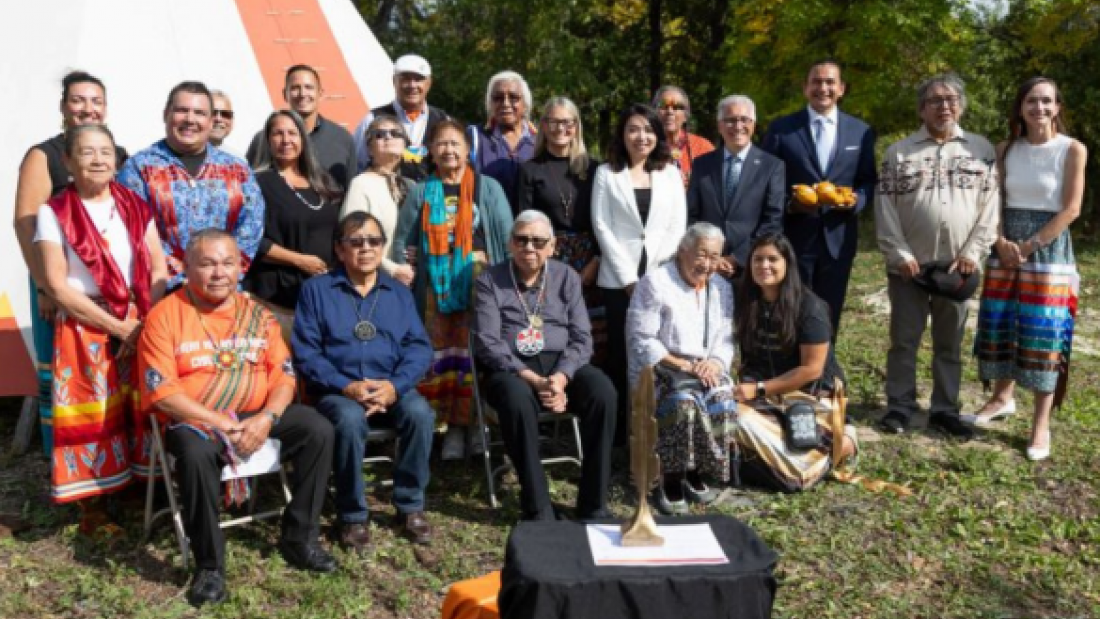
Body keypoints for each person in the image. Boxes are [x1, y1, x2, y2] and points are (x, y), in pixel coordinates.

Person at [138, 229, 337, 607]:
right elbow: (163, 392)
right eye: (208, 263)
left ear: (240, 267)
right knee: (194, 455)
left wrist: (266, 417)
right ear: (185, 267)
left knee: (319, 429)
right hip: (198, 419)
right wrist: (224, 423)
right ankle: (209, 565)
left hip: (257, 412)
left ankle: (299, 538)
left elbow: (283, 376)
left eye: (228, 263)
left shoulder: (257, 315)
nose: (219, 273)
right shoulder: (165, 315)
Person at [35, 125, 168, 531]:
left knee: (136, 405)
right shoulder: (54, 211)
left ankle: (134, 489)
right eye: (87, 152)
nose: (98, 159)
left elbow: (158, 266)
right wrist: (117, 327)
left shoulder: (134, 205)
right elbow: (57, 284)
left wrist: (145, 323)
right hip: (84, 324)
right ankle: (92, 504)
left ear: (117, 159)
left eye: (106, 152)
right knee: (91, 412)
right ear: (68, 162)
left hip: (137, 316)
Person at [293, 211, 435, 547]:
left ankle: (410, 505)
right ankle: (352, 515)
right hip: (338, 389)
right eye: (355, 242)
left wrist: (394, 387)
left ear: (383, 247)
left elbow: (418, 347)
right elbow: (307, 353)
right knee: (349, 418)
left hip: (390, 386)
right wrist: (347, 386)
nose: (366, 248)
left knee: (420, 414)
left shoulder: (398, 293)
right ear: (340, 250)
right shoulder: (317, 290)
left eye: (374, 241)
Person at [965, 77, 1087, 461]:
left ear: (1057, 106)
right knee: (999, 322)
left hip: (1048, 248)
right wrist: (1001, 241)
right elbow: (994, 201)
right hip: (1005, 244)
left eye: (1047, 101)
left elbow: (1071, 208)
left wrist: (1031, 245)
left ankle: (1040, 425)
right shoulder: (1005, 150)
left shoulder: (1072, 150)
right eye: (1031, 101)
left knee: (1042, 336)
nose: (1039, 108)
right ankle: (1002, 398)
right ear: (1020, 107)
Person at [876, 74, 999, 440]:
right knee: (904, 339)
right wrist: (898, 253)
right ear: (921, 108)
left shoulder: (980, 150)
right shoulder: (898, 153)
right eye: (935, 100)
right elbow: (885, 207)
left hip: (956, 267)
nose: (943, 106)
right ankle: (899, 405)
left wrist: (974, 252)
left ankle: (945, 409)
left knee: (950, 342)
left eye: (950, 99)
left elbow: (990, 207)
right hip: (909, 267)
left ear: (960, 105)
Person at [14, 70, 130, 454]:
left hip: (110, 283)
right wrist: (46, 287)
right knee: (63, 376)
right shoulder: (44, 155)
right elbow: (26, 221)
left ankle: (113, 461)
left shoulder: (119, 154)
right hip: (58, 280)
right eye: (78, 100)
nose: (88, 108)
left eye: (96, 100)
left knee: (111, 374)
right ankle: (62, 462)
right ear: (64, 107)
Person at [474, 210, 616, 521]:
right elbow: (488, 342)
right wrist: (532, 379)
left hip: (561, 363)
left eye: (538, 242)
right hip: (511, 368)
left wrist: (562, 378)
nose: (529, 248)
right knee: (516, 400)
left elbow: (582, 338)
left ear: (551, 247)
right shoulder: (490, 281)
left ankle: (593, 504)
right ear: (510, 244)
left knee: (603, 393)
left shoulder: (565, 276)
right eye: (522, 240)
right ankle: (537, 505)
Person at [392, 119, 514, 460]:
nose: (448, 150)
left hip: (480, 284)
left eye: (455, 143)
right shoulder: (421, 192)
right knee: (444, 359)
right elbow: (402, 241)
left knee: (479, 354)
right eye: (441, 143)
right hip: (435, 289)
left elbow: (506, 241)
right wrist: (410, 258)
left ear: (467, 149)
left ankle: (479, 427)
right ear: (431, 150)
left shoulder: (487, 189)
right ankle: (452, 430)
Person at [626, 223, 735, 515]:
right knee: (683, 404)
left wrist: (715, 363)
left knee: (723, 397)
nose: (707, 264)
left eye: (715, 257)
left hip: (704, 368)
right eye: (701, 254)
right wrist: (684, 365)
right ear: (683, 250)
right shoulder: (656, 282)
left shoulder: (722, 288)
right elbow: (641, 339)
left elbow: (726, 338)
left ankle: (697, 469)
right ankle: (670, 479)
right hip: (664, 367)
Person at [592, 103, 686, 442]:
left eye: (648, 130)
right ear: (622, 134)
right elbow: (602, 226)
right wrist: (630, 278)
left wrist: (653, 278)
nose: (640, 136)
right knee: (620, 352)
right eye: (633, 129)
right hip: (619, 281)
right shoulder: (606, 174)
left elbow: (677, 226)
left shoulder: (670, 173)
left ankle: (657, 425)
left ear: (657, 135)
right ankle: (620, 432)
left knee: (659, 350)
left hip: (661, 278)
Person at [761, 60, 878, 334]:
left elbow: (867, 180)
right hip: (793, 237)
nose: (822, 88)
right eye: (816, 82)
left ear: (841, 89)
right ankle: (792, 371)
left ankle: (824, 371)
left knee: (829, 310)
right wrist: (790, 204)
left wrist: (857, 201)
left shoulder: (860, 131)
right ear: (805, 87)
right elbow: (767, 182)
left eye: (830, 82)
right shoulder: (782, 130)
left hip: (838, 237)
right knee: (790, 308)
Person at [733, 233, 855, 490]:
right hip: (767, 394)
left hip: (810, 395)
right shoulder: (747, 303)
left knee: (747, 428)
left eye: (772, 259)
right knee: (728, 416)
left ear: (788, 264)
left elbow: (811, 369)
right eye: (757, 259)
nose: (764, 266)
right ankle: (809, 453)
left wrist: (759, 389)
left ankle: (840, 445)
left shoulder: (810, 308)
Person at [118, 81, 264, 291]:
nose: (190, 119)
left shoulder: (236, 169)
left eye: (199, 113)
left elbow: (252, 225)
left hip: (223, 289)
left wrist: (223, 272)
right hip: (163, 289)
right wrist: (179, 276)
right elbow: (133, 229)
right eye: (181, 110)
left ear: (211, 120)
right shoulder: (139, 168)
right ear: (166, 114)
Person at [515, 97, 604, 361]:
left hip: (592, 260)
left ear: (576, 126)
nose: (560, 128)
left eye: (567, 122)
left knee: (592, 331)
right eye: (553, 121)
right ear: (543, 125)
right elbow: (525, 220)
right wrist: (546, 264)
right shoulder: (530, 170)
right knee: (554, 326)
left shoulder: (594, 168)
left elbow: (604, 219)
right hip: (548, 256)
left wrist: (595, 262)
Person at [244, 110, 343, 338]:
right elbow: (250, 241)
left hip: (322, 296)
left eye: (292, 133)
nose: (286, 140)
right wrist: (299, 260)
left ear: (303, 139)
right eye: (278, 134)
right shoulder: (257, 183)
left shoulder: (323, 181)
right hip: (278, 300)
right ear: (268, 140)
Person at [687, 95, 784, 278]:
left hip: (750, 266)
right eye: (730, 120)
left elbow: (772, 221)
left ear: (753, 124)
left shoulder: (772, 166)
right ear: (719, 125)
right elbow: (692, 214)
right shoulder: (702, 164)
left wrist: (736, 258)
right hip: (706, 266)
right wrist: (710, 256)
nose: (738, 126)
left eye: (744, 120)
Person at [247, 65, 357, 192]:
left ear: (320, 93)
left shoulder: (342, 139)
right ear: (285, 94)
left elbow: (351, 192)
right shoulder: (264, 140)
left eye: (309, 87)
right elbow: (248, 185)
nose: (302, 94)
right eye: (295, 88)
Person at [342, 116, 416, 286]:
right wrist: (392, 269)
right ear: (369, 148)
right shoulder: (361, 184)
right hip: (374, 281)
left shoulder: (411, 186)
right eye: (380, 134)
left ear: (405, 144)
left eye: (395, 133)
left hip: (412, 280)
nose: (388, 137)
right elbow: (353, 237)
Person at [353, 54, 449, 180]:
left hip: (431, 197)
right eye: (405, 79)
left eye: (418, 79)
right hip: (387, 195)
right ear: (394, 81)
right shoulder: (373, 119)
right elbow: (357, 165)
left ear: (429, 83)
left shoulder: (443, 120)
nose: (412, 85)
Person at [468, 70, 537, 211]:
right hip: (486, 224)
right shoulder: (474, 137)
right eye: (498, 98)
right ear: (489, 104)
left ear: (525, 104)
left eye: (514, 97)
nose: (505, 103)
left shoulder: (541, 140)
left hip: (530, 226)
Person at [652, 85, 715, 188]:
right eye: (663, 106)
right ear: (654, 112)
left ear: (686, 116)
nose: (670, 112)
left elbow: (717, 182)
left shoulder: (702, 147)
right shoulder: (645, 146)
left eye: (677, 107)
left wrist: (696, 180)